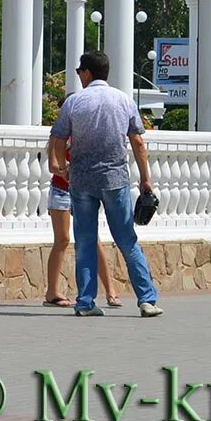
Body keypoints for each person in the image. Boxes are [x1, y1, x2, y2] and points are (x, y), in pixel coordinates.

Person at [49, 51, 162, 318]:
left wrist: (60, 168)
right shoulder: (124, 100)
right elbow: (138, 141)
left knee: (85, 241)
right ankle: (146, 299)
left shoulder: (75, 102)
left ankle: (86, 302)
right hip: (114, 180)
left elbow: (57, 137)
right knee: (126, 239)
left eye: (79, 72)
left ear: (87, 73)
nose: (78, 76)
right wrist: (146, 178)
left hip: (82, 180)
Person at [43, 134, 120, 308]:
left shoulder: (88, 130)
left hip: (83, 190)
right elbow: (53, 166)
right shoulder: (58, 135)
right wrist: (68, 171)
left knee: (93, 238)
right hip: (61, 191)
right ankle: (52, 292)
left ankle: (110, 290)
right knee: (62, 240)